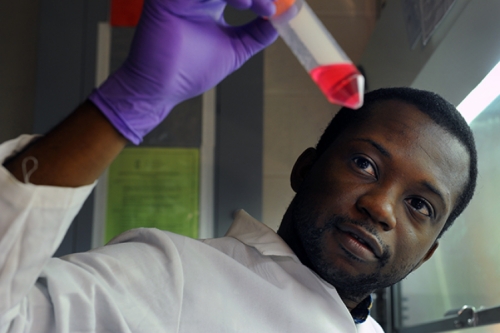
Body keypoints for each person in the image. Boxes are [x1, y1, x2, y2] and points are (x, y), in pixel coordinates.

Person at [0, 0, 477, 332]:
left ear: (430, 252)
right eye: (365, 164)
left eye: (419, 204)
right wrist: (127, 102)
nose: (380, 207)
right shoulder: (176, 275)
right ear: (305, 169)